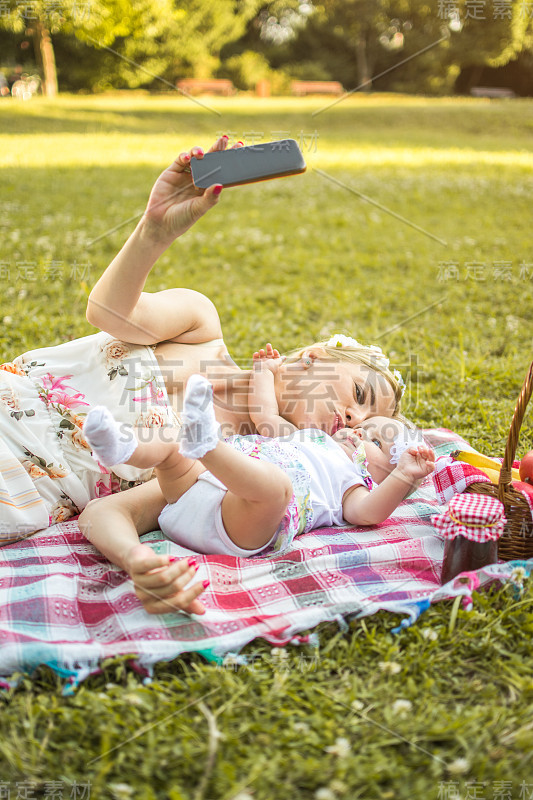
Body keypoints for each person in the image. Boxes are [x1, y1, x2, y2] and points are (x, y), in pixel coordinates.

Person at [0, 136, 404, 614]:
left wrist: (139, 563)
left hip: (18, 490)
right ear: (316, 355)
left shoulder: (230, 466)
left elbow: (110, 512)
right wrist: (154, 231)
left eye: (365, 425)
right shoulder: (201, 329)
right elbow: (107, 312)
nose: (354, 420)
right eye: (360, 393)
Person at [78, 361, 434, 615]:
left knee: (276, 488)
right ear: (313, 358)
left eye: (374, 439)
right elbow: (266, 416)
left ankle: (207, 444)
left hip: (242, 523)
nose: (358, 427)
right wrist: (265, 371)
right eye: (360, 404)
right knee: (173, 451)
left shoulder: (353, 481)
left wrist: (403, 476)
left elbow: (369, 512)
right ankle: (125, 449)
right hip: (195, 497)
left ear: (381, 476)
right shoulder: (308, 439)